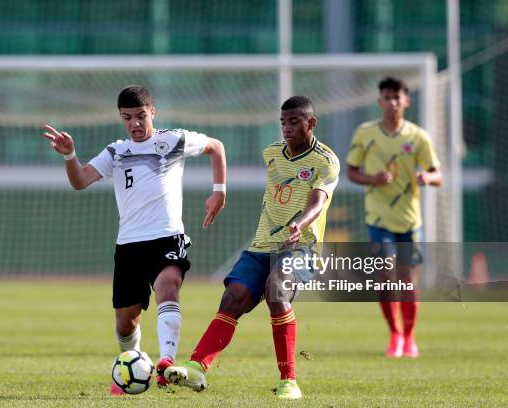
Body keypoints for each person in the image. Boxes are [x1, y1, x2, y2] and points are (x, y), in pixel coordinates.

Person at [41, 85, 226, 394]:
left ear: (152, 112)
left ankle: (167, 365)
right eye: (128, 118)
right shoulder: (115, 151)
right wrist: (70, 155)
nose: (135, 124)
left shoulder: (172, 140)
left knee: (168, 288)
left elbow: (216, 147)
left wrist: (219, 191)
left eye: (141, 116)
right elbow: (80, 181)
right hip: (129, 245)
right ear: (121, 118)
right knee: (126, 322)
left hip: (167, 237)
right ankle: (131, 362)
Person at [164, 96, 340, 400]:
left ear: (311, 123)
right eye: (283, 122)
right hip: (261, 246)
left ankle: (289, 381)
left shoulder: (325, 160)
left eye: (294, 121)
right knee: (233, 299)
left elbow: (318, 201)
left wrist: (301, 223)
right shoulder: (271, 153)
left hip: (302, 248)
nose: (286, 127)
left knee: (277, 290)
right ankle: (197, 367)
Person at [346, 77, 442, 358]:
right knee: (385, 276)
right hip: (378, 219)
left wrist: (427, 177)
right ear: (380, 102)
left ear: (407, 101)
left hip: (410, 220)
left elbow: (438, 174)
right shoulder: (365, 133)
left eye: (397, 97)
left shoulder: (418, 137)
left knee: (408, 281)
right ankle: (395, 335)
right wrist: (371, 178)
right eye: (387, 97)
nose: (393, 102)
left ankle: (410, 337)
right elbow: (351, 172)